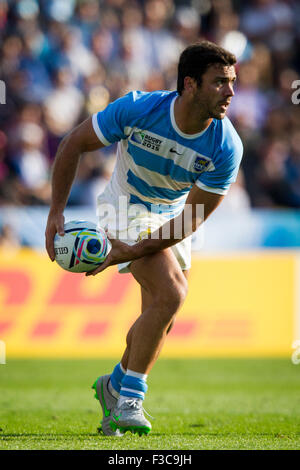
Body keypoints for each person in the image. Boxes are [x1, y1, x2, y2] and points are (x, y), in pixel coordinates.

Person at [45, 41, 243, 437]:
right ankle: (132, 399)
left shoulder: (226, 146)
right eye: (219, 82)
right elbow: (73, 144)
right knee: (172, 293)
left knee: (160, 318)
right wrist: (55, 213)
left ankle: (114, 386)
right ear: (190, 84)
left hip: (172, 214)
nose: (230, 92)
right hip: (125, 202)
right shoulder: (138, 109)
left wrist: (133, 251)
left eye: (232, 82)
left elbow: (193, 217)